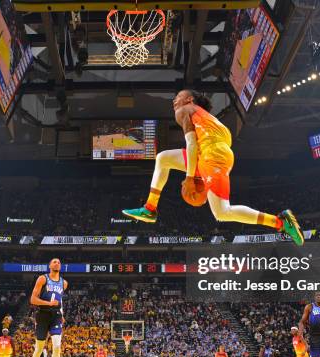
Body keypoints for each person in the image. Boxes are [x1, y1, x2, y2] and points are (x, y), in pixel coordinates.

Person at [122, 89, 304, 246]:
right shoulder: (211, 121)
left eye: (178, 96)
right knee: (164, 158)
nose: (174, 100)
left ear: (189, 99)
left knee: (223, 211)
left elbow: (191, 145)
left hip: (212, 156)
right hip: (212, 154)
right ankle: (150, 208)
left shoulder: (184, 110)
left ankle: (281, 222)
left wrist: (190, 177)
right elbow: (201, 146)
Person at [27, 258, 68, 357]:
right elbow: (32, 300)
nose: (57, 263)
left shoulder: (64, 283)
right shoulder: (42, 279)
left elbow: (60, 300)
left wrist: (61, 313)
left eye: (59, 262)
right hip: (43, 314)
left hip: (56, 316)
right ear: (49, 265)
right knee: (39, 348)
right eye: (54, 262)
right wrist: (49, 304)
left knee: (57, 346)